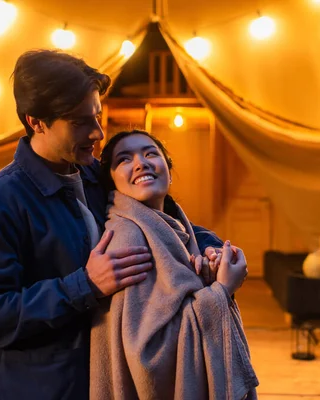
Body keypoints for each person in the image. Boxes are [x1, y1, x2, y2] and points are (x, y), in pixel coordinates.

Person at [0, 50, 223, 400]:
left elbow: (158, 221)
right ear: (36, 121)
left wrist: (211, 247)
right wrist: (84, 285)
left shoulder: (100, 177)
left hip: (114, 384)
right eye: (80, 122)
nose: (97, 132)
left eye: (97, 115)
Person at [90, 129, 259, 399]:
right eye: (124, 159)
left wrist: (211, 273)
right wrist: (222, 290)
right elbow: (147, 354)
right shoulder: (128, 237)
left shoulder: (174, 227)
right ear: (110, 180)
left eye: (150, 153)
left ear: (168, 168)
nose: (140, 163)